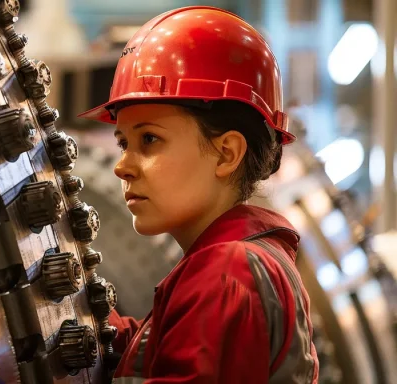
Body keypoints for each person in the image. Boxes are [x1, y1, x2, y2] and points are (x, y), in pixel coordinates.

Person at [76, 6, 319, 383]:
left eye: (150, 139)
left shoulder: (225, 272)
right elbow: (153, 349)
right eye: (123, 143)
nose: (122, 166)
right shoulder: (250, 258)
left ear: (226, 153)